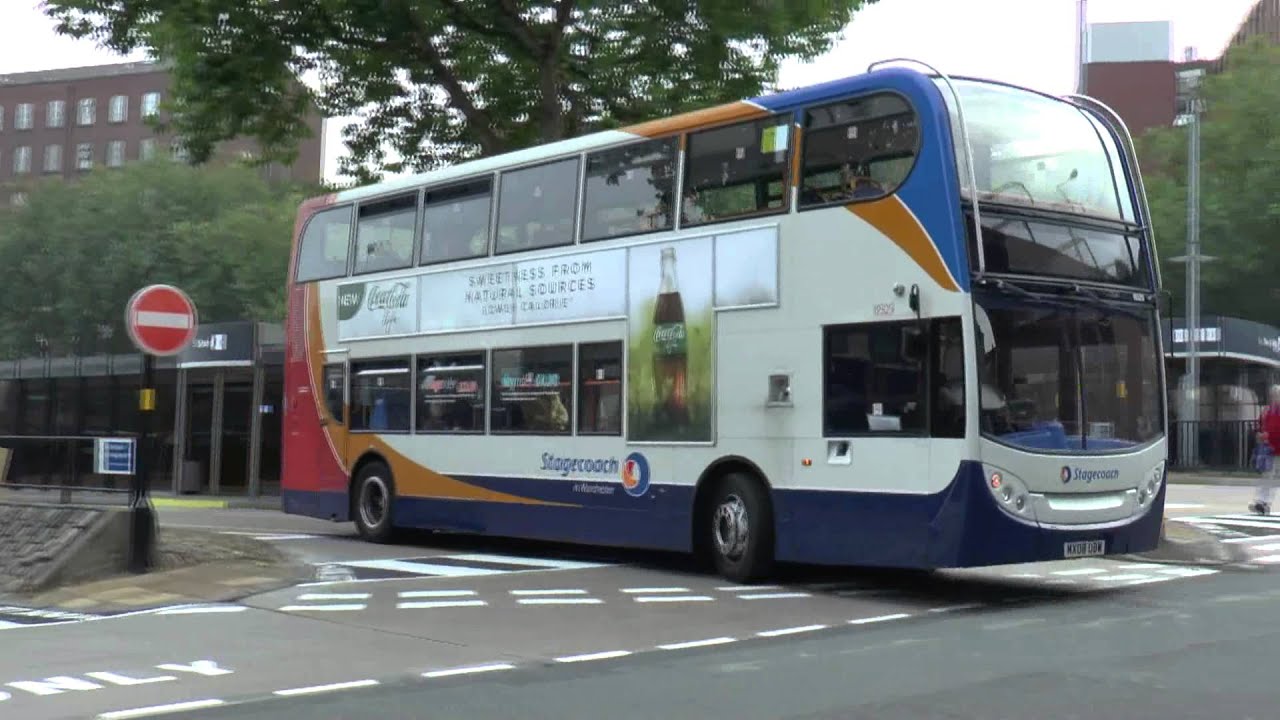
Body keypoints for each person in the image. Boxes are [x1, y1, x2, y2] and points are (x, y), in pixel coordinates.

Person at [1249, 385, 1280, 515]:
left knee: (1273, 477)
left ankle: (1264, 503)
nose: (1275, 397)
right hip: (1269, 448)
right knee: (1267, 476)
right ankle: (1262, 503)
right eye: (1274, 395)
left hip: (1276, 447)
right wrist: (1259, 434)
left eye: (1277, 395)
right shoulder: (1267, 411)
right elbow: (1260, 425)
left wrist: (1268, 435)